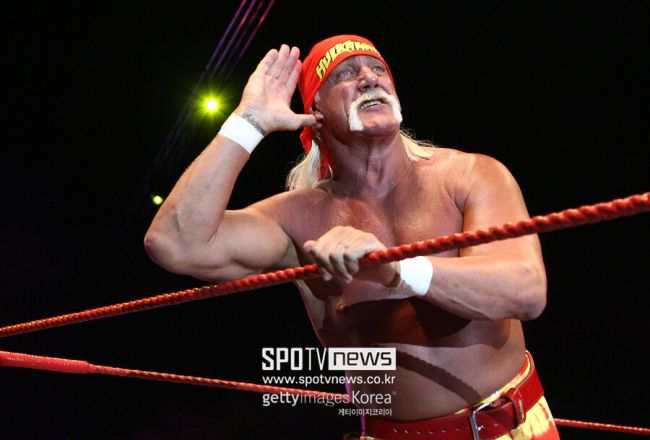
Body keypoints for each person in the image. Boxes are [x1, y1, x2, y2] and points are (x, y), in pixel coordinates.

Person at [144, 35, 560, 439]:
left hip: (514, 428)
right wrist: (248, 122)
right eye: (345, 73)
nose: (368, 78)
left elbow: (525, 291)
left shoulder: (470, 176)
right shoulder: (298, 218)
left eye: (378, 69)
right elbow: (175, 243)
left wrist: (396, 271)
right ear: (315, 111)